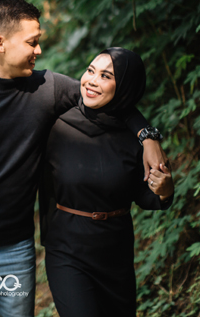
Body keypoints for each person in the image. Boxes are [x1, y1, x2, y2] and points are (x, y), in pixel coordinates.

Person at [0, 0, 167, 317]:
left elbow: (112, 97)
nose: (38, 50)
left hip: (15, 250)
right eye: (32, 42)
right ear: (0, 43)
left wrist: (147, 136)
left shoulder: (47, 88)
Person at [41, 47, 174, 317]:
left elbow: (145, 195)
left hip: (115, 253)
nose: (92, 81)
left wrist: (164, 190)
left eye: (105, 76)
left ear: (124, 87)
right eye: (90, 70)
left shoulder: (135, 140)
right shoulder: (56, 126)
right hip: (66, 249)